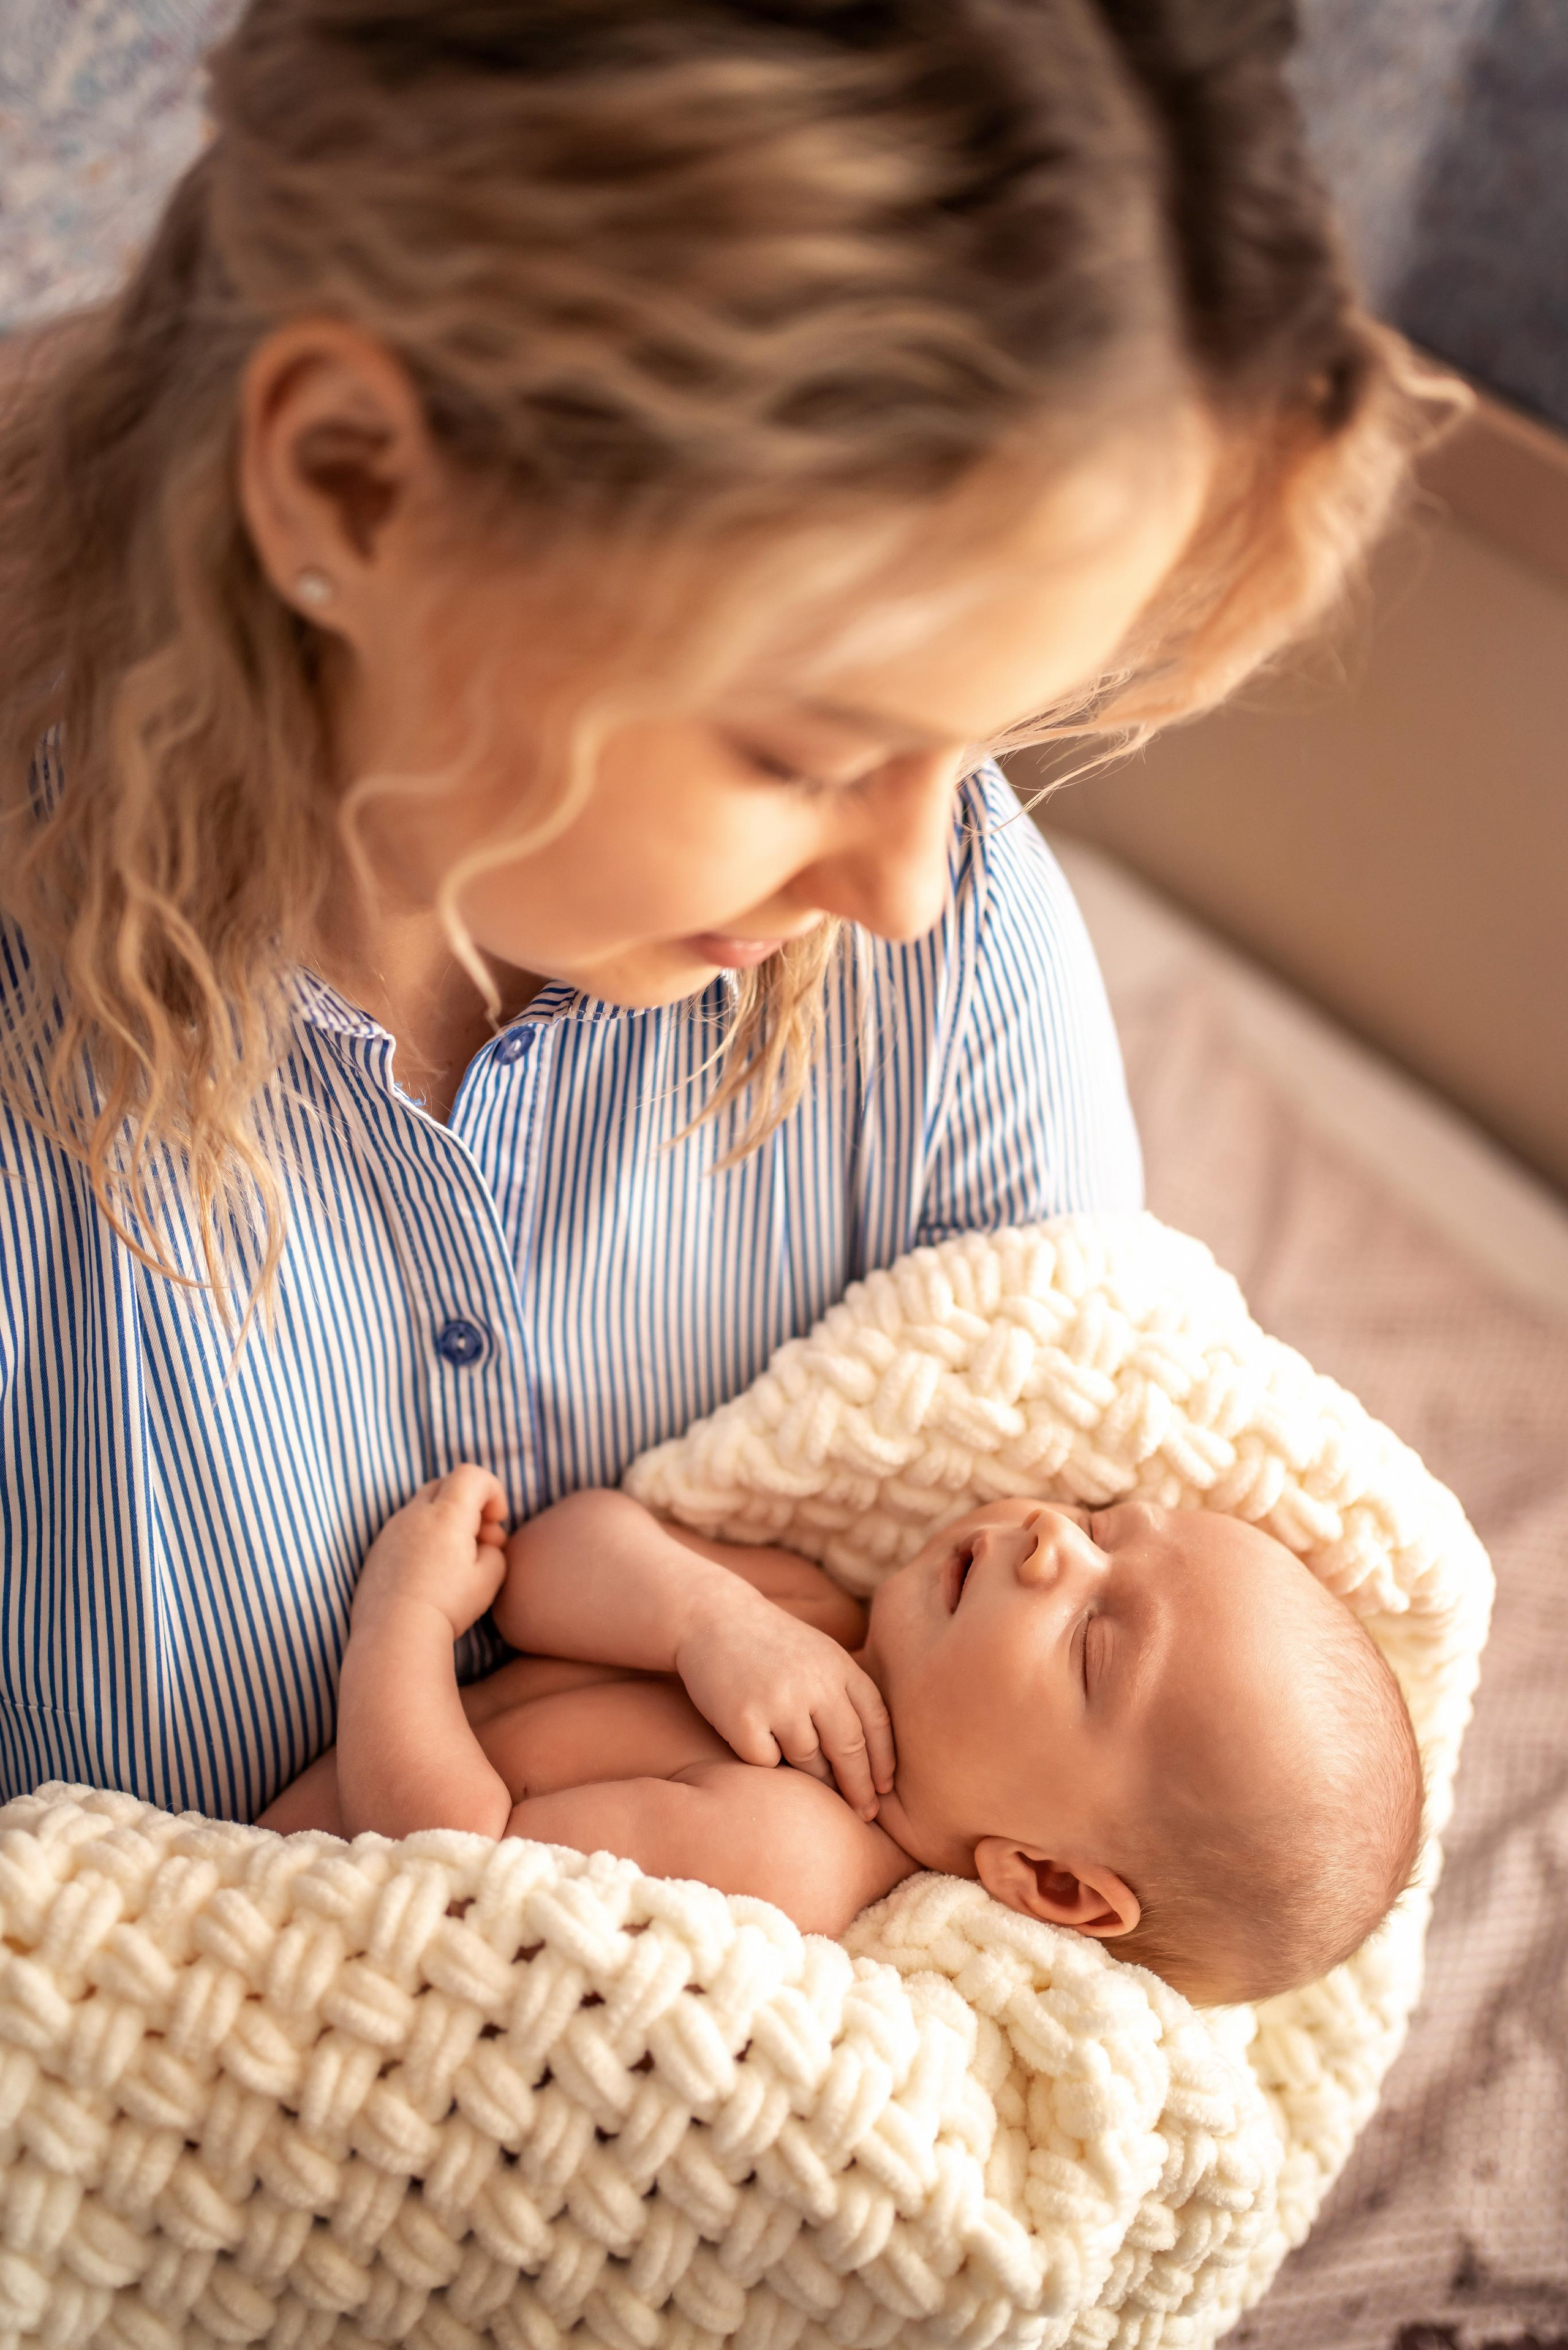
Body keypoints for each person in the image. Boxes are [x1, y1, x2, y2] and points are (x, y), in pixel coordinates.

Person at [0, 1, 1446, 1825]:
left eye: (976, 743)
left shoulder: (947, 948)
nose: (913, 888)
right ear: (354, 486)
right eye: (809, 748)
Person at [262, 1474, 1424, 2006]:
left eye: (1091, 1641)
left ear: (1053, 1879)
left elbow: (448, 1861)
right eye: (1107, 1522)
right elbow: (543, 1572)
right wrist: (707, 1615)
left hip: (269, 1904)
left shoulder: (793, 1855)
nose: (1049, 1542)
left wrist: (404, 1624)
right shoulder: (817, 1616)